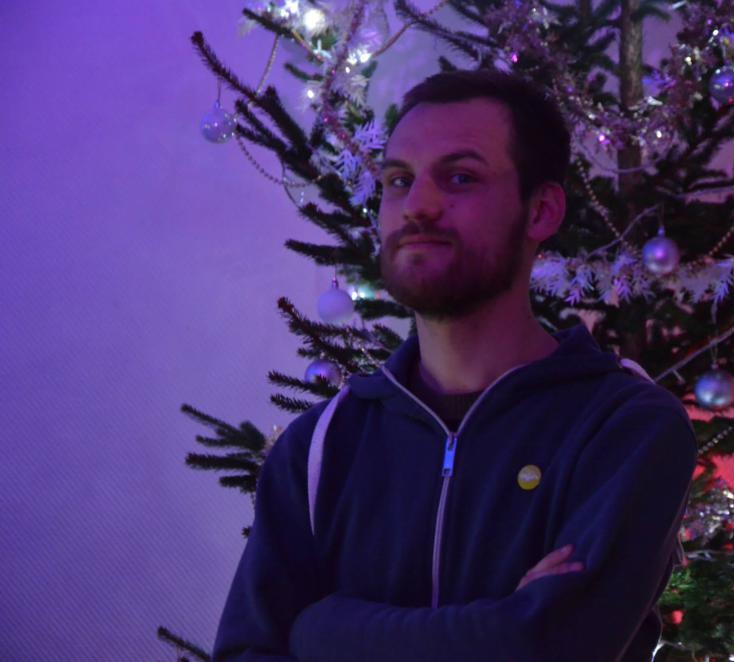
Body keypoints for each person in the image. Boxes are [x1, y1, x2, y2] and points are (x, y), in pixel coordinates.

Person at [212, 69, 697, 662]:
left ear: (541, 211)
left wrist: (322, 630)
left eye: (460, 177)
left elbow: (548, 649)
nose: (418, 206)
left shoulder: (624, 427)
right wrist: (500, 628)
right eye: (398, 180)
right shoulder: (320, 448)